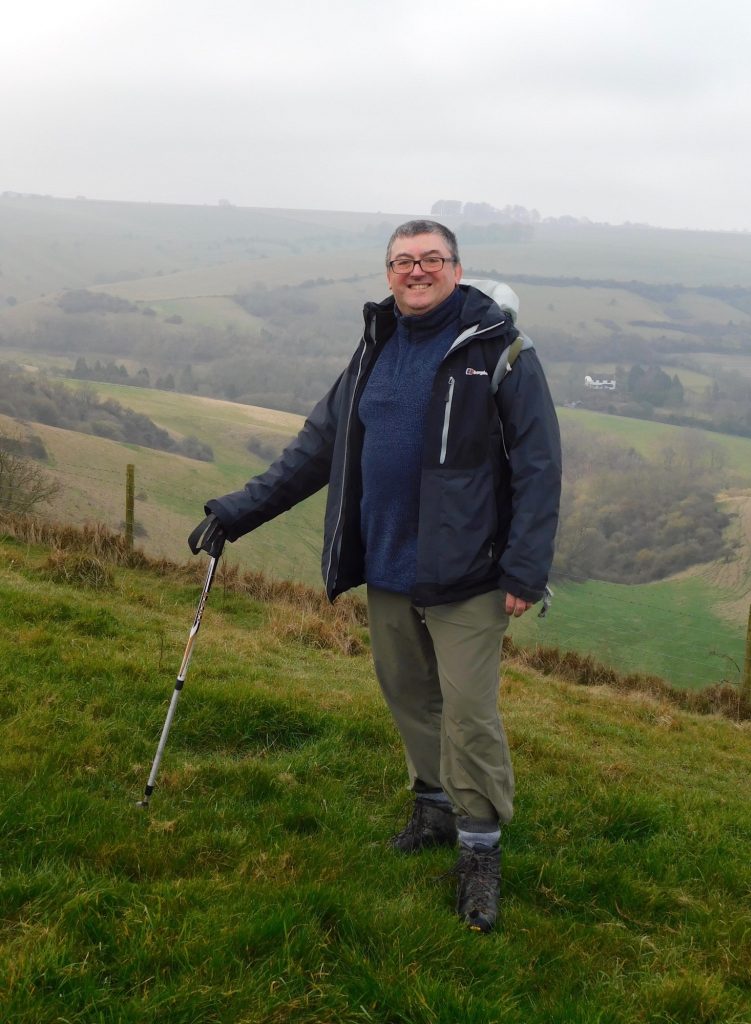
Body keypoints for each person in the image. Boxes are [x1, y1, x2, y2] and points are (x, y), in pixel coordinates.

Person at [189, 220, 561, 933]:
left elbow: (541, 468)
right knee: (407, 693)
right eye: (402, 261)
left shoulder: (499, 349)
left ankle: (480, 851)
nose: (415, 271)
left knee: (470, 710)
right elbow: (316, 448)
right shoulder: (375, 346)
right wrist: (235, 512)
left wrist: (525, 568)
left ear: (456, 268)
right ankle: (434, 806)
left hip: (471, 573)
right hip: (389, 562)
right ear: (387, 273)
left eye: (430, 259)